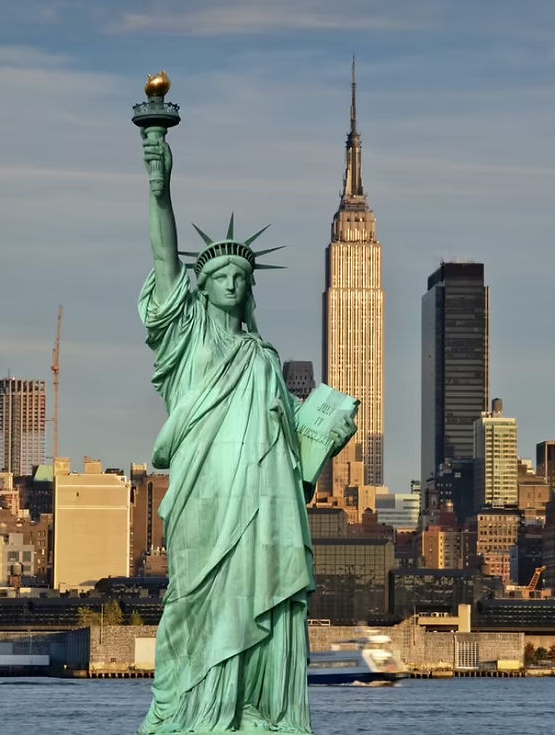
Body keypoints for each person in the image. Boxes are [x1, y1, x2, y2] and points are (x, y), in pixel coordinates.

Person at [137, 129, 355, 733]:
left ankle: (258, 709)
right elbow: (164, 261)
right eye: (220, 275)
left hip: (266, 501)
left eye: (240, 276)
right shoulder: (187, 340)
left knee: (267, 595)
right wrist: (160, 188)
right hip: (205, 494)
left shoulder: (263, 357)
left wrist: (323, 438)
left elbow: (288, 449)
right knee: (197, 600)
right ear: (202, 286)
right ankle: (196, 712)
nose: (231, 283)